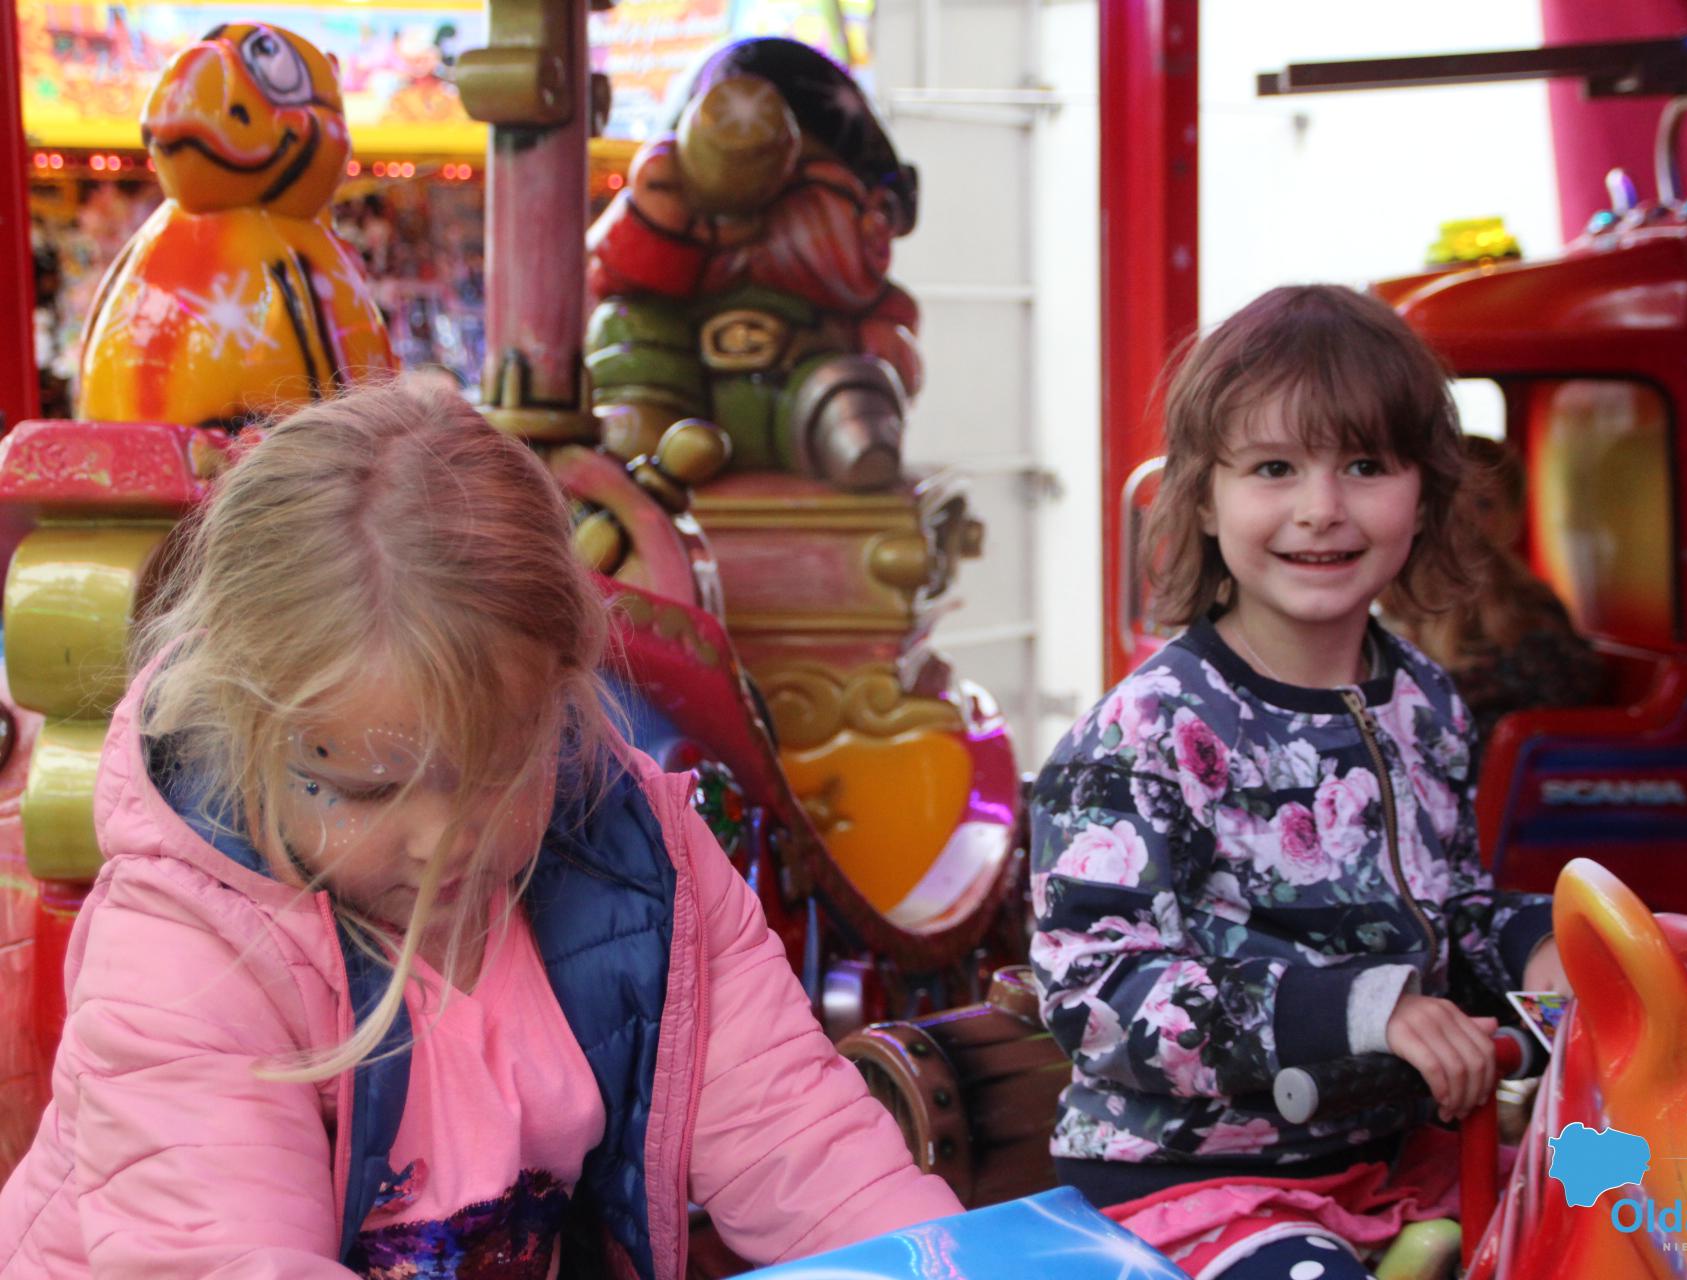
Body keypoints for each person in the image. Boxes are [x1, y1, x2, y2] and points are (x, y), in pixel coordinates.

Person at [0, 380, 961, 1278]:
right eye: (371, 789)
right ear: (250, 734)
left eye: (496, 770)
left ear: (561, 698)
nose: (441, 841)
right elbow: (227, 1258)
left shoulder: (645, 870)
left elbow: (806, 1149)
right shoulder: (186, 951)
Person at [1029, 286, 1568, 1279]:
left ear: (1424, 493)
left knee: (1635, 1209)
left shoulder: (1425, 700)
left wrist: (1540, 946)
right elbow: (1096, 995)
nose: (1322, 508)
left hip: (1397, 1157)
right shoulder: (1150, 729)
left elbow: (1443, 918)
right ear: (1203, 497)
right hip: (1195, 1178)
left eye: (1365, 465)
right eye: (1274, 468)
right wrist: (1363, 1009)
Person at [1383, 435, 1607, 741]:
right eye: (1446, 503)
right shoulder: (1394, 596)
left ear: (1514, 518)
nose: (1462, 520)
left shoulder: (1530, 612)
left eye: (1483, 504)